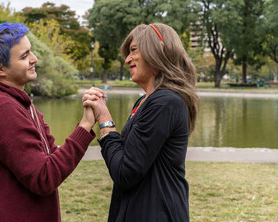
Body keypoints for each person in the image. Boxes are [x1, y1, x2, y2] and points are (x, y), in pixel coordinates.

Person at [0, 22, 98, 222]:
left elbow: (52, 161)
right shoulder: (1, 109)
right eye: (24, 56)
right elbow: (44, 178)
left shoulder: (19, 104)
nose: (34, 59)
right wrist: (85, 127)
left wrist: (85, 122)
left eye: (31, 52)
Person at [83, 23, 199, 222]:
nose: (127, 59)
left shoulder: (165, 102)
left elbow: (125, 172)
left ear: (157, 52)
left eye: (134, 50)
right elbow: (129, 159)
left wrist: (104, 120)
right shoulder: (146, 101)